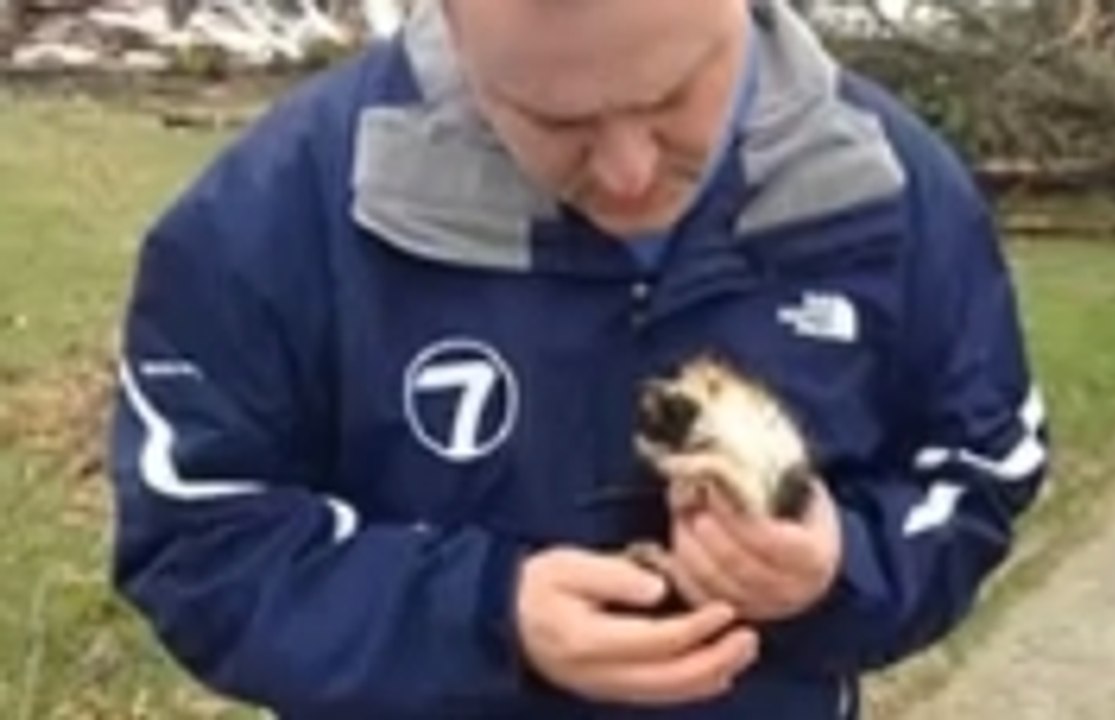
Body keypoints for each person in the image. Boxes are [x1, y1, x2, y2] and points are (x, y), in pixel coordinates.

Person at [106, 0, 1050, 718]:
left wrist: (840, 567)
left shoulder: (894, 191)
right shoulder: (271, 217)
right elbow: (200, 542)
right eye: (555, 123)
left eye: (673, 98)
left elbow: (978, 470)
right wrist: (488, 614)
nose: (629, 172)